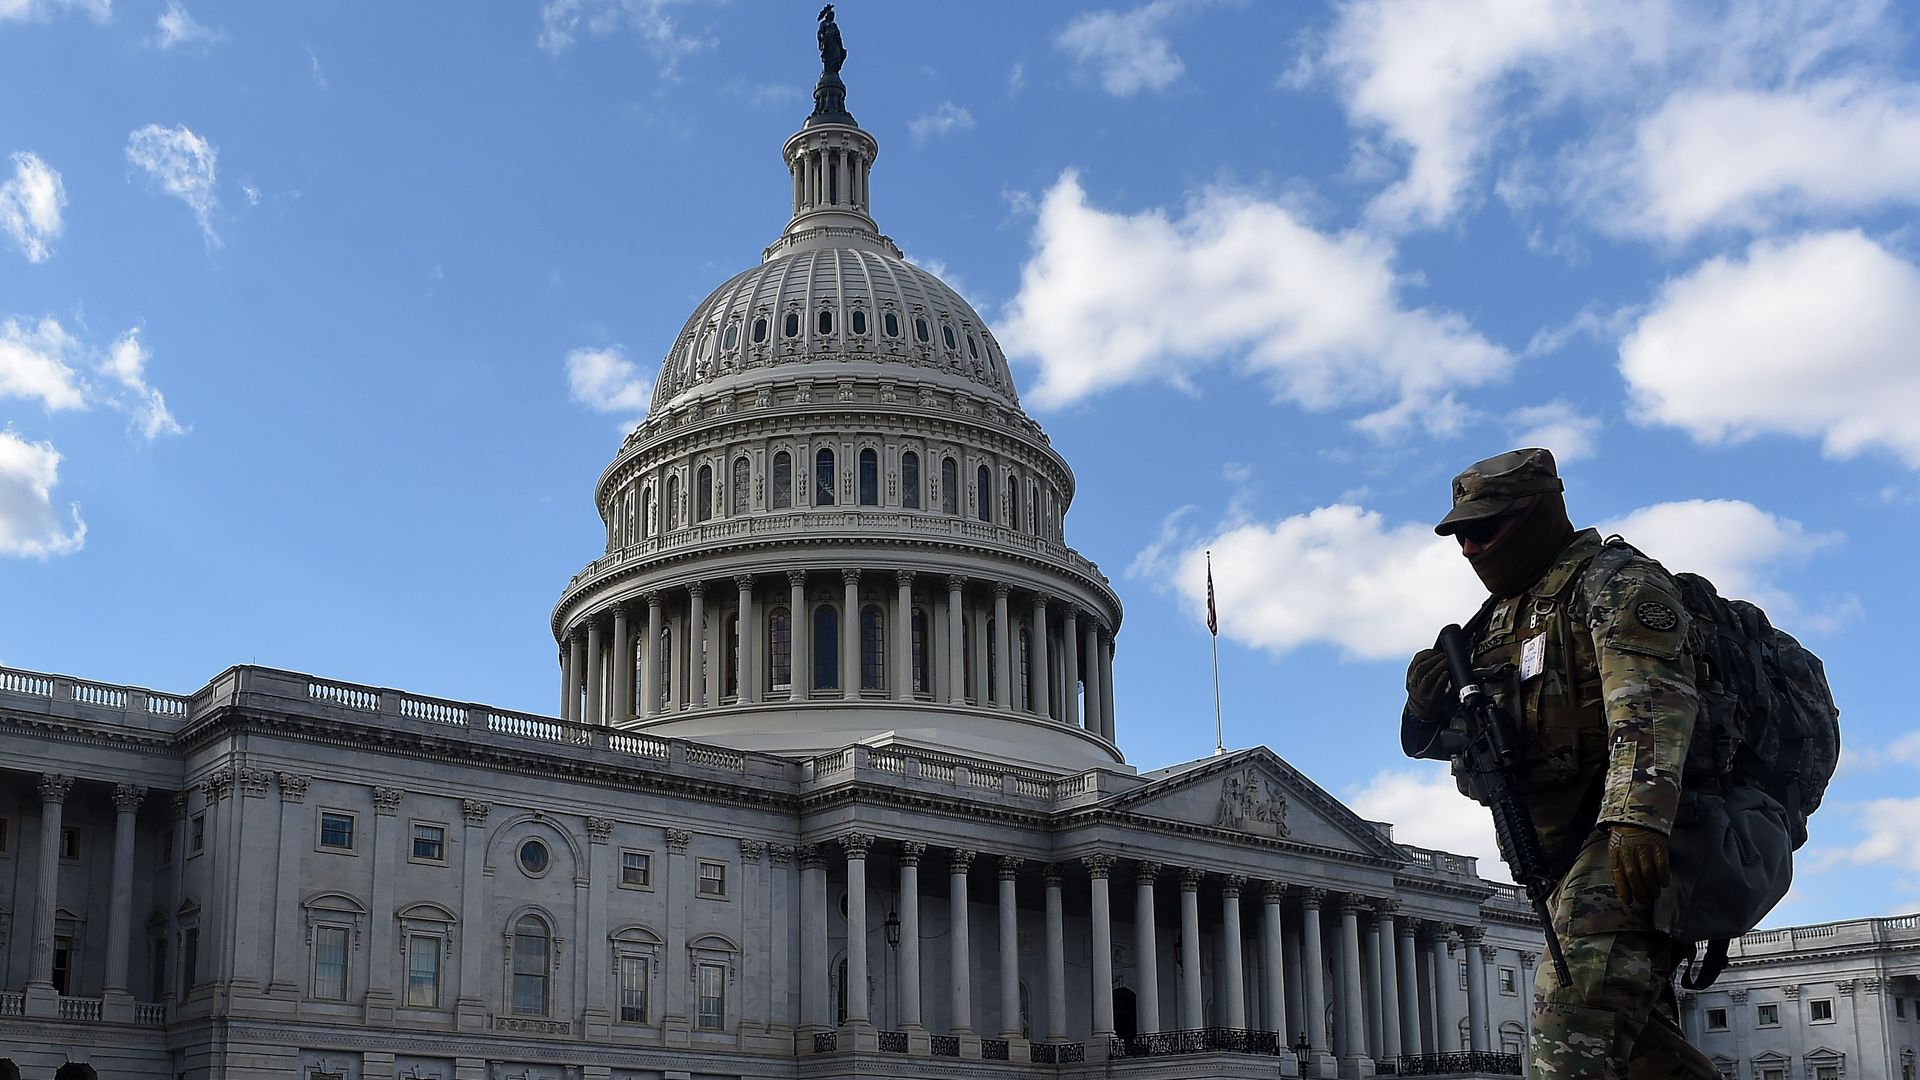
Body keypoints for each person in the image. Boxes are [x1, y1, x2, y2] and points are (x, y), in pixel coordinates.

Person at [1401, 448, 1714, 1078]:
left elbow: (1652, 703)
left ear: (1542, 511)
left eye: (1484, 529)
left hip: (1634, 839)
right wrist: (1425, 712)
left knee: (1567, 1025)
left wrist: (1636, 819)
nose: (1470, 548)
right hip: (1556, 856)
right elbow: (1475, 744)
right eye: (1460, 534)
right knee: (1648, 1058)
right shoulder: (1493, 624)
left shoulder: (1615, 582)